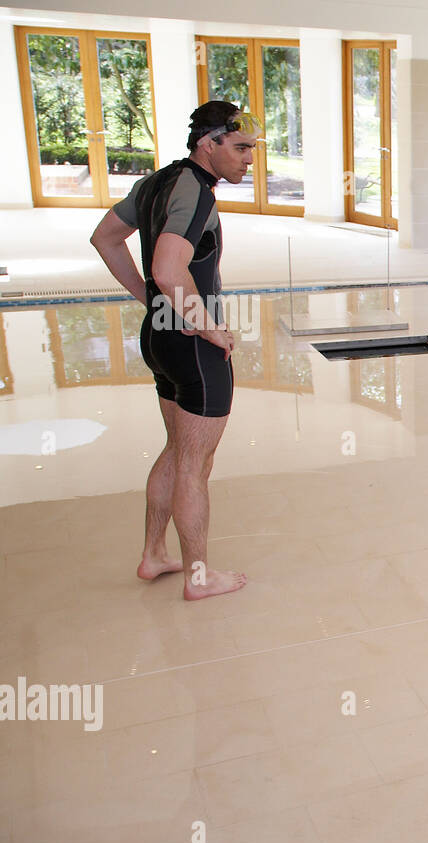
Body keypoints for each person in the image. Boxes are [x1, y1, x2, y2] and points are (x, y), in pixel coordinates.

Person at [90, 101, 260, 600]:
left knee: (176, 450)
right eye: (241, 148)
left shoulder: (157, 182)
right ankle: (200, 578)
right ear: (209, 144)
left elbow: (106, 237)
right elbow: (168, 269)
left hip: (159, 336)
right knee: (194, 465)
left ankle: (153, 556)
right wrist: (207, 328)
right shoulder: (198, 195)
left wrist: (151, 302)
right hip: (190, 345)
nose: (249, 160)